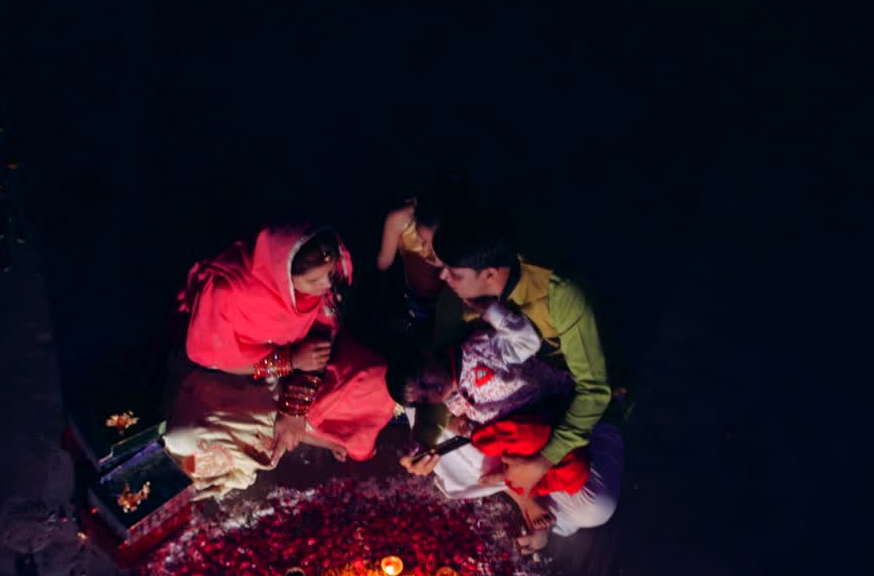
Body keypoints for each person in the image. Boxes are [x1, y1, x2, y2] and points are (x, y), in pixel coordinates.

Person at [163, 223, 396, 500]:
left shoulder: (328, 278)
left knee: (377, 379)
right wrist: (288, 362)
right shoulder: (230, 294)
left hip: (296, 369)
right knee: (187, 439)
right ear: (283, 277)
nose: (325, 286)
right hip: (227, 379)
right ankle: (302, 434)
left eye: (330, 274)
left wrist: (294, 407)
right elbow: (211, 360)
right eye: (314, 281)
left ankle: (291, 430)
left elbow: (322, 342)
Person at [392, 292, 622, 553]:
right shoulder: (448, 398)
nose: (431, 392)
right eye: (424, 397)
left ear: (427, 355)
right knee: (483, 448)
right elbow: (452, 422)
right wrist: (442, 435)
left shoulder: (477, 350)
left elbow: (526, 341)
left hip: (551, 414)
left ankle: (527, 492)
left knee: (592, 502)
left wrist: (493, 311)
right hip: (514, 437)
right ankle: (528, 497)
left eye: (425, 381)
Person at [412, 211, 616, 501]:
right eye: (444, 267)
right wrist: (422, 441)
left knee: (596, 507)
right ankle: (517, 486)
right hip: (501, 413)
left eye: (454, 272)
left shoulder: (560, 292)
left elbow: (594, 393)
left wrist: (542, 462)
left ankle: (522, 485)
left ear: (490, 274)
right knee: (410, 397)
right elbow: (437, 374)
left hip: (564, 405)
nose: (443, 277)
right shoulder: (452, 301)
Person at [374, 172, 469, 348]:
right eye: (421, 240)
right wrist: (381, 314)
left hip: (445, 304)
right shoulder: (400, 220)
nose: (426, 251)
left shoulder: (464, 235)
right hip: (408, 295)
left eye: (437, 245)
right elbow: (383, 269)